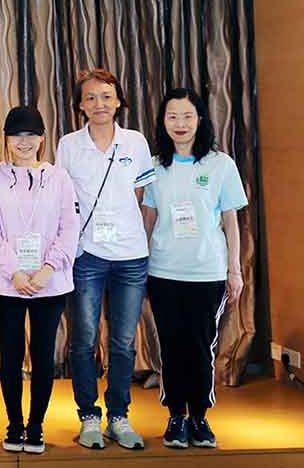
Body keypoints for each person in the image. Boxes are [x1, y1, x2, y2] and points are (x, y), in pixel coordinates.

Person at [141, 88, 247, 449]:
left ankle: (200, 416)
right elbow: (149, 219)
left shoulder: (221, 164)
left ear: (200, 120)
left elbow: (231, 221)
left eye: (187, 116)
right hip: (163, 271)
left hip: (207, 272)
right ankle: (176, 417)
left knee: (201, 345)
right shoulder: (155, 166)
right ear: (163, 122)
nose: (180, 124)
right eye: (172, 116)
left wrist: (235, 270)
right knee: (171, 345)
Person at [56, 69, 155, 450]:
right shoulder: (68, 145)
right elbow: (63, 204)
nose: (100, 104)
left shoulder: (135, 142)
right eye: (91, 97)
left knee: (124, 342)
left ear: (118, 101)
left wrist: (143, 243)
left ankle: (119, 416)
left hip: (131, 256)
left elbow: (143, 198)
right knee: (82, 340)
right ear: (80, 105)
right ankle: (89, 417)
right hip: (86, 255)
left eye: (107, 96)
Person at [0, 106, 81, 454]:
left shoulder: (59, 178)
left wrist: (47, 270)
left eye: (31, 135)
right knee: (10, 356)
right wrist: (15, 272)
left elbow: (69, 228)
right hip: (8, 283)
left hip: (49, 283)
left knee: (43, 356)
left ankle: (36, 425)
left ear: (42, 138)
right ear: (6, 139)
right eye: (16, 136)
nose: (23, 143)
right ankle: (13, 424)